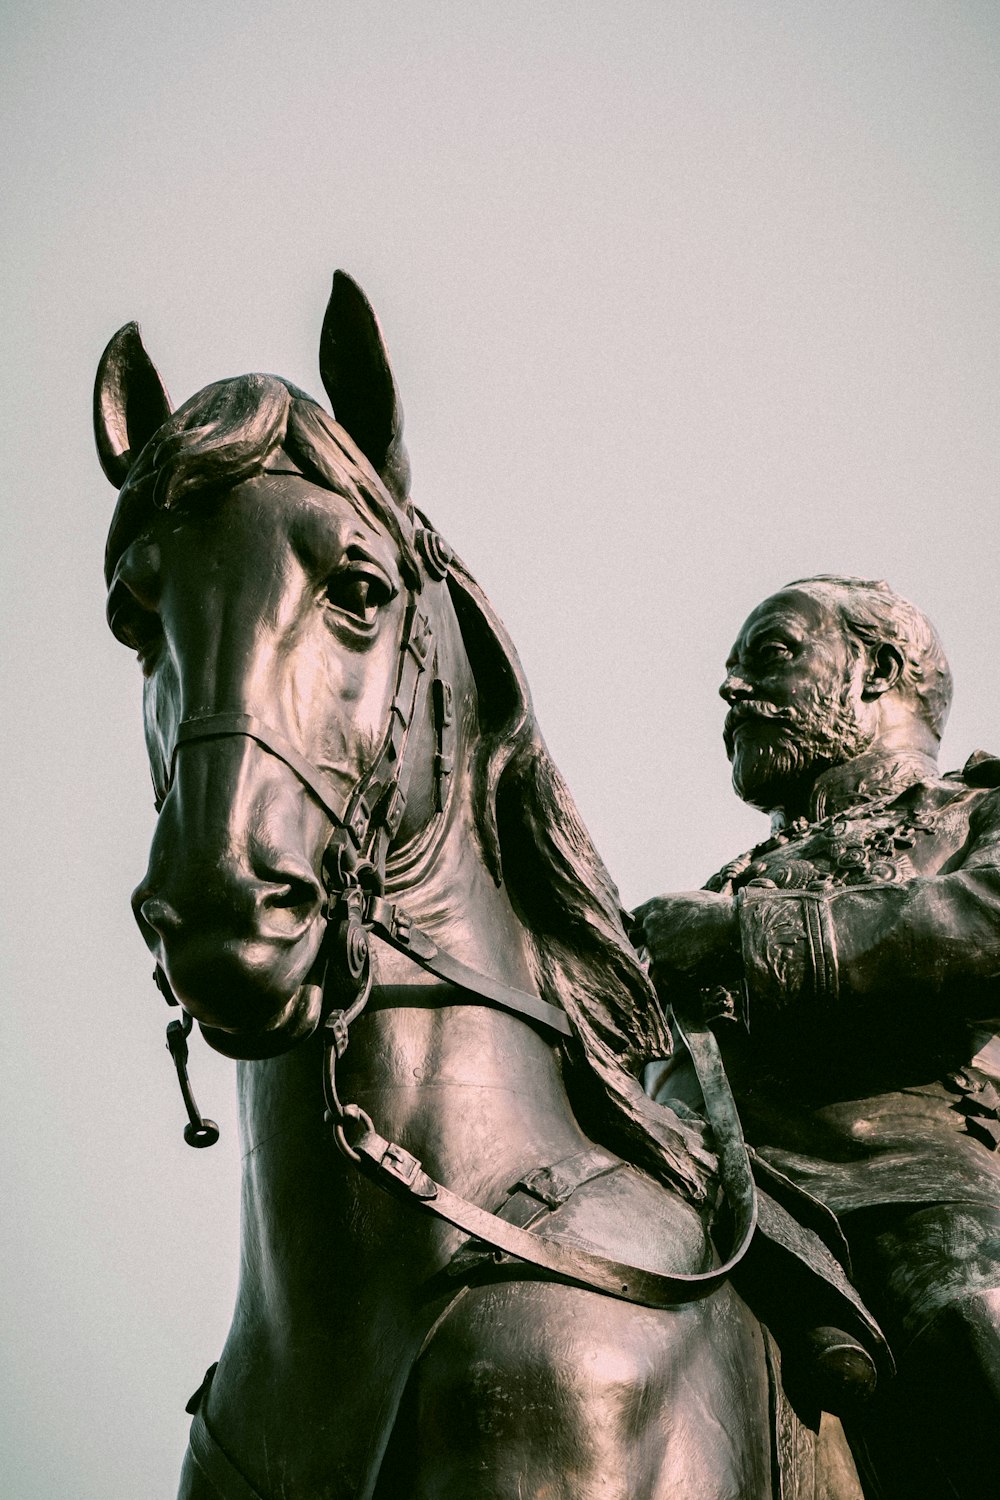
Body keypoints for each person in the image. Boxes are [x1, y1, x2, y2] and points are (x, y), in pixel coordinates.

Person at [634, 575, 1000, 1499]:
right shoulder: (723, 882)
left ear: (876, 670)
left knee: (976, 1330)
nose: (730, 691)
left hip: (898, 1187)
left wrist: (740, 936)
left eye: (771, 654)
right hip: (691, 1189)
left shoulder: (973, 815)